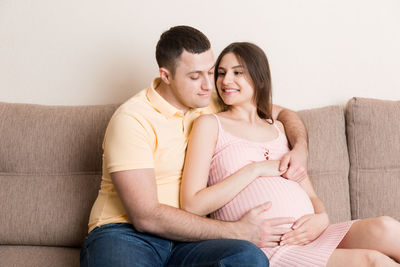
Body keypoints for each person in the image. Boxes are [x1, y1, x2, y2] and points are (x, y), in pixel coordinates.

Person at [80, 26, 309, 267]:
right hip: (127, 234)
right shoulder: (132, 119)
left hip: (191, 241)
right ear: (166, 76)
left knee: (248, 257)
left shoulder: (211, 101)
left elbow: (283, 113)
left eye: (210, 72)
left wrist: (301, 147)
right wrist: (237, 231)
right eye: (194, 76)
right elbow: (145, 216)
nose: (209, 85)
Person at [180, 42, 400, 267]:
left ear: (260, 79)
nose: (226, 81)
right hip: (273, 248)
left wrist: (321, 218)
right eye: (221, 73)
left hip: (313, 234)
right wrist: (255, 169)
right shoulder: (209, 124)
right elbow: (192, 204)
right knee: (373, 262)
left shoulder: (278, 128)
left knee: (387, 227)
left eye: (237, 73)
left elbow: (311, 194)